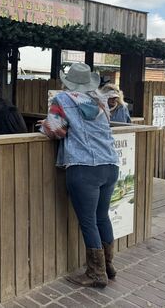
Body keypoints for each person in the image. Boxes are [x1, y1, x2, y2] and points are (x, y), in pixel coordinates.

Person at [39, 63, 119, 288]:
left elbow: (55, 130)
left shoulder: (62, 100)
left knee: (88, 221)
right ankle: (108, 266)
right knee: (102, 217)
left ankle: (96, 273)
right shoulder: (100, 100)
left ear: (68, 83)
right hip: (110, 164)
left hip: (84, 168)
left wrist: (45, 125)